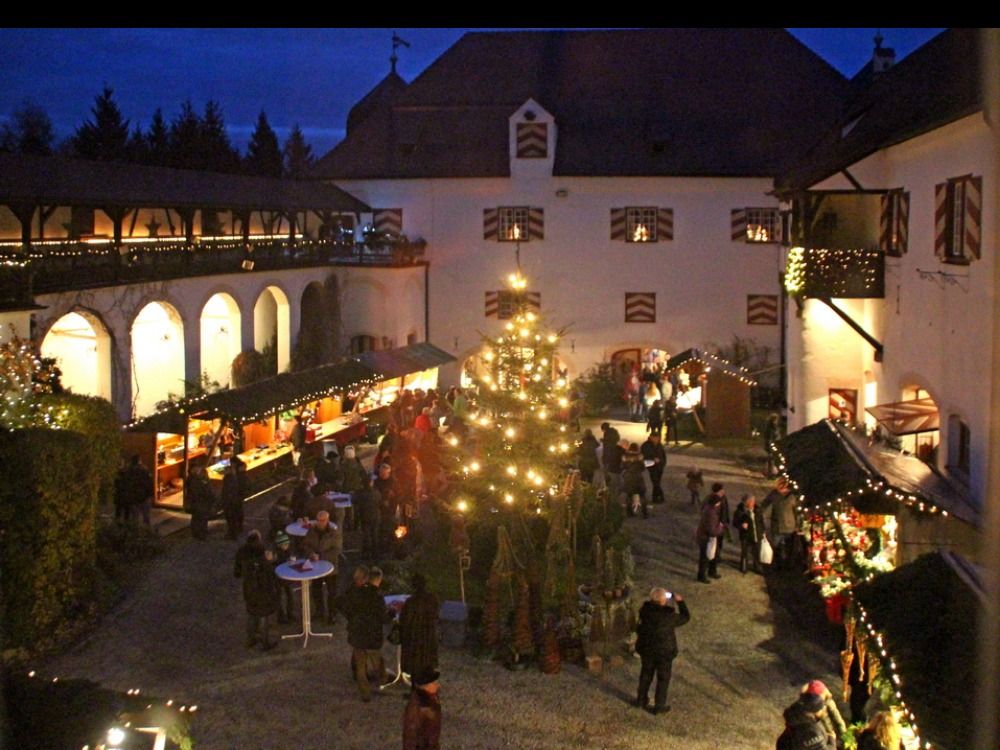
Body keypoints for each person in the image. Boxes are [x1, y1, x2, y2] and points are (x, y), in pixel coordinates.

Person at [335, 566, 393, 702]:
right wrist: (391, 614)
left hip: (357, 634)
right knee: (377, 661)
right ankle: (381, 682)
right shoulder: (377, 597)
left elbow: (341, 604)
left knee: (360, 665)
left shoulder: (356, 593)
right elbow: (383, 618)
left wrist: (351, 618)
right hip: (372, 635)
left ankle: (365, 693)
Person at [634, 587, 690, 715]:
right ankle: (659, 706)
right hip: (664, 652)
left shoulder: (645, 611)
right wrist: (680, 602)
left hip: (647, 649)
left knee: (645, 675)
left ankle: (641, 700)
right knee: (663, 679)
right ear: (663, 601)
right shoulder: (669, 616)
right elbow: (685, 617)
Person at [233, 530, 279, 650]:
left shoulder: (241, 552)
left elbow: (237, 573)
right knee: (263, 614)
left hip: (249, 588)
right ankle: (265, 642)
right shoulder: (261, 552)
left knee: (252, 613)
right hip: (262, 588)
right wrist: (271, 561)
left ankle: (251, 639)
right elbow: (268, 571)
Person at [302, 510, 341, 622]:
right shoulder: (311, 531)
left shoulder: (334, 533)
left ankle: (332, 613)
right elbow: (306, 545)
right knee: (316, 590)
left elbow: (337, 550)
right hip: (315, 567)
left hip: (330, 567)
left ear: (327, 520)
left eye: (322, 520)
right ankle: (319, 611)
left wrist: (321, 556)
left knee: (332, 592)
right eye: (318, 520)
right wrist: (311, 554)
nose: (320, 522)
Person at [399, 573, 440, 678]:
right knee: (427, 665)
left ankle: (415, 685)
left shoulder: (411, 601)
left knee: (415, 666)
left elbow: (404, 619)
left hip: (415, 638)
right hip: (428, 637)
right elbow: (436, 616)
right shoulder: (432, 599)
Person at [761, 478, 799, 571]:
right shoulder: (774, 494)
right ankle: (778, 566)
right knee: (777, 548)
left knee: (789, 548)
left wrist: (797, 525)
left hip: (789, 527)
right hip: (777, 526)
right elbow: (764, 505)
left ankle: (788, 566)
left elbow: (796, 512)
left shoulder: (791, 496)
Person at [403, 668, 442, 750]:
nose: (438, 686)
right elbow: (411, 738)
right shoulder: (417, 708)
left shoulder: (432, 700)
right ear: (425, 686)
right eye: (434, 683)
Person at [695, 483, 727, 582]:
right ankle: (702, 575)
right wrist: (721, 528)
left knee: (713, 553)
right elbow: (711, 529)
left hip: (710, 535)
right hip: (707, 536)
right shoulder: (711, 511)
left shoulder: (711, 505)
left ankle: (711, 571)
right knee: (705, 556)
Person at [803, 680, 848, 749]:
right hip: (819, 736)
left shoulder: (828, 702)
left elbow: (839, 721)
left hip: (829, 734)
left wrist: (845, 738)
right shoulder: (807, 706)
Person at [733, 494, 765, 574]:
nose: (753, 503)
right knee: (745, 552)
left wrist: (763, 531)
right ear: (746, 503)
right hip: (746, 536)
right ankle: (744, 567)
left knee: (757, 552)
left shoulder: (757, 510)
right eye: (751, 501)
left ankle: (757, 567)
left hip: (756, 534)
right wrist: (741, 525)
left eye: (753, 501)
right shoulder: (739, 512)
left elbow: (761, 521)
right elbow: (735, 523)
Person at [221, 456, 248, 540]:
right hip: (236, 497)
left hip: (232, 499)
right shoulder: (239, 472)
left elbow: (227, 489)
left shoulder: (231, 477)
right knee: (237, 513)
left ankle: (233, 533)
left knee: (231, 516)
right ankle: (238, 528)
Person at [354, 474, 380, 557]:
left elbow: (354, 500)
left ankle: (367, 552)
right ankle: (375, 551)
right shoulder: (376, 492)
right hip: (375, 515)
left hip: (365, 516)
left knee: (366, 534)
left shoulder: (360, 493)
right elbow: (379, 500)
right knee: (374, 534)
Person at [187, 465, 215, 541]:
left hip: (200, 502)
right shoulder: (195, 480)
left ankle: (199, 533)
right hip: (200, 502)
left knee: (199, 518)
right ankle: (200, 533)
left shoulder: (198, 480)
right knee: (200, 518)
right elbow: (198, 492)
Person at [640, 431, 666, 504]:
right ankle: (660, 496)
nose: (656, 439)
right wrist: (653, 459)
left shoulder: (659, 445)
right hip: (651, 466)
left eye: (657, 437)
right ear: (651, 437)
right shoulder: (646, 445)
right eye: (654, 437)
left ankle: (655, 497)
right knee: (655, 482)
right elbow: (644, 455)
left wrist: (663, 462)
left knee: (657, 482)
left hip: (660, 466)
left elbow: (663, 454)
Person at [623, 443, 648, 518]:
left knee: (629, 495)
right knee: (642, 495)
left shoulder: (625, 456)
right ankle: (644, 513)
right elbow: (643, 468)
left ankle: (629, 512)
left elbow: (623, 466)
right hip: (638, 477)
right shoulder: (640, 456)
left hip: (629, 477)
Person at [764, 412, 781, 476]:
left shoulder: (775, 427)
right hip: (771, 445)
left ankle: (771, 472)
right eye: (775, 420)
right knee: (771, 459)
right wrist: (770, 446)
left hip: (774, 445)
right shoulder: (770, 428)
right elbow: (769, 438)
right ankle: (770, 472)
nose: (776, 422)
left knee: (772, 459)